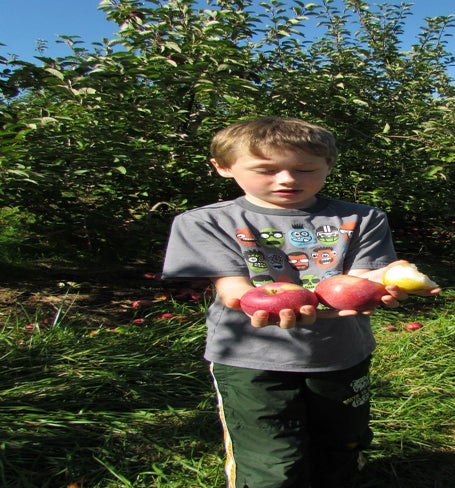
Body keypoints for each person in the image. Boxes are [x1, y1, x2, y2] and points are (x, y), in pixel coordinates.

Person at [162, 116, 440, 488]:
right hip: (250, 359)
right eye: (266, 170)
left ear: (329, 165)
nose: (287, 179)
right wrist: (263, 304)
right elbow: (233, 290)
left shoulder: (362, 218)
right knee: (270, 461)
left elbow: (362, 279)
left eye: (305, 169)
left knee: (343, 442)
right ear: (223, 167)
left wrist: (385, 282)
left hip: (341, 352)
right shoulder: (206, 222)